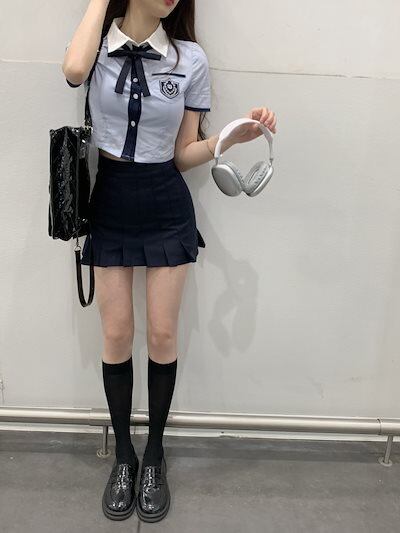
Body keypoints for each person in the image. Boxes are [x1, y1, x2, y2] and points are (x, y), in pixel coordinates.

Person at [62, 0, 277, 523]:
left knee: (161, 334)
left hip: (165, 201)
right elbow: (72, 72)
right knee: (116, 335)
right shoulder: (98, 49)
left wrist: (229, 138)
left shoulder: (190, 59)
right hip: (110, 199)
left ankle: (154, 454)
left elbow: (183, 154)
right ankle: (124, 456)